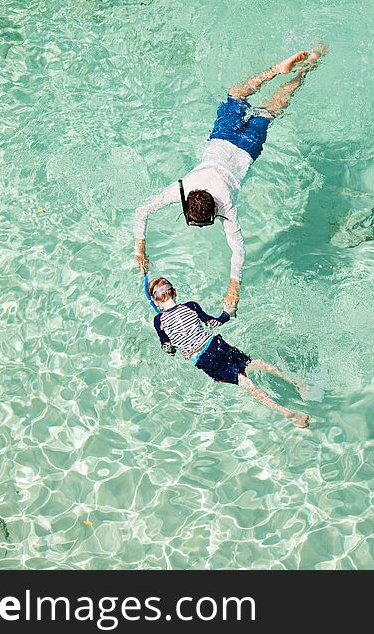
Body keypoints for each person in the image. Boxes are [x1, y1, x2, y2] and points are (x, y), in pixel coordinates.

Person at [133, 46, 328, 315]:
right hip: (222, 140)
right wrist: (140, 248)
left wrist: (233, 288)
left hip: (247, 150)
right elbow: (141, 212)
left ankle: (305, 70)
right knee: (236, 94)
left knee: (270, 109)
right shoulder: (182, 188)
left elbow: (239, 251)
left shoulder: (227, 207)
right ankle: (274, 71)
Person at [147, 276, 311, 428]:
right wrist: (227, 313)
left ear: (155, 301)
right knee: (255, 364)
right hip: (215, 344)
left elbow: (166, 347)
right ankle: (298, 384)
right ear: (175, 292)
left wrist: (173, 348)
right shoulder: (190, 306)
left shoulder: (158, 320)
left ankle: (286, 412)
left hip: (203, 358)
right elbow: (213, 324)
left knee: (245, 383)